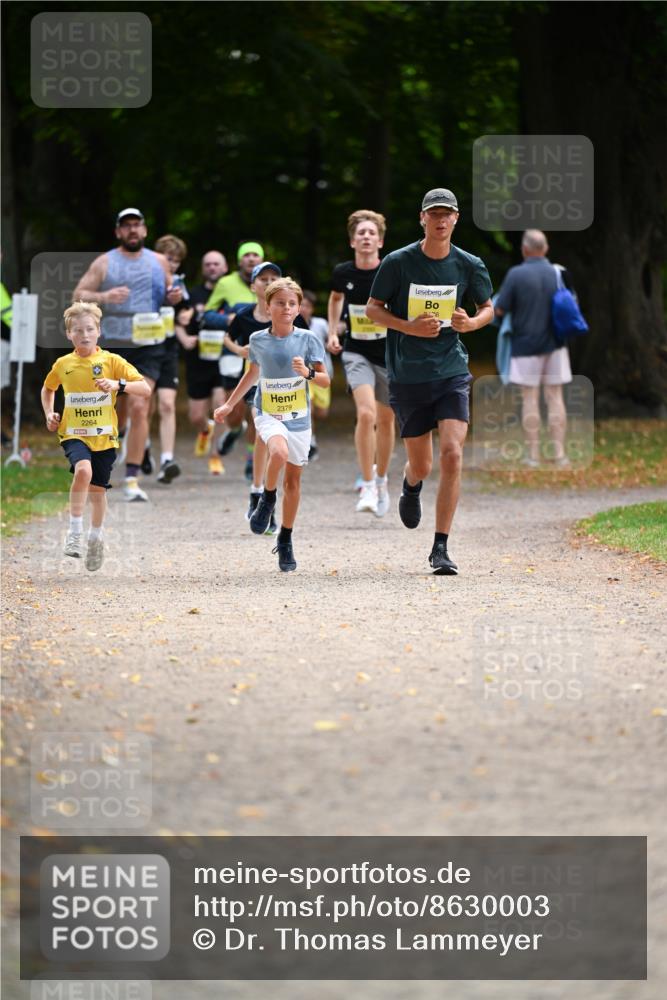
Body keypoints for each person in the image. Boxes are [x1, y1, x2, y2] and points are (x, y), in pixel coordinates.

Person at [366, 188, 494, 575]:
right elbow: (373, 309)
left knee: (453, 453)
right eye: (434, 213)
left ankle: (441, 547)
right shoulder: (398, 262)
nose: (441, 220)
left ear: (456, 219)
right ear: (422, 218)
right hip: (408, 374)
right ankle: (410, 483)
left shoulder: (469, 264)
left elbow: (487, 308)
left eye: (447, 214)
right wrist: (408, 326)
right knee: (422, 464)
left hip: (451, 371)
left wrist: (470, 323)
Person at [214, 277, 329, 573]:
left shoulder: (308, 339)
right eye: (280, 303)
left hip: (299, 418)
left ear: (299, 307)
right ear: (268, 306)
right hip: (266, 412)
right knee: (276, 451)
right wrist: (230, 404)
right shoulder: (257, 340)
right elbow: (252, 374)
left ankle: (286, 538)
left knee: (293, 482)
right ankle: (267, 499)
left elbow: (326, 381)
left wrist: (308, 374)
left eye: (292, 303)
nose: (287, 308)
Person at [72, 208, 183, 501]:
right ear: (119, 232)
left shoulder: (158, 261)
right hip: (113, 344)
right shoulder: (105, 261)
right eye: (127, 226)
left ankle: (132, 479)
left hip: (150, 344)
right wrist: (105, 297)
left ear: (144, 231)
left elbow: (171, 294)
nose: (133, 230)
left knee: (139, 405)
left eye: (137, 225)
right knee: (107, 409)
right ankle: (101, 456)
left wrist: (175, 296)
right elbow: (79, 293)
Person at [41, 302, 150, 570]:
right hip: (73, 434)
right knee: (82, 472)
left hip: (105, 437)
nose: (84, 335)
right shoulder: (63, 364)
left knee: (98, 492)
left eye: (89, 329)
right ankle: (75, 532)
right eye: (78, 330)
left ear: (99, 331)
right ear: (69, 334)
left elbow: (145, 388)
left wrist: (118, 385)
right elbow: (48, 389)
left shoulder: (112, 361)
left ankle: (95, 536)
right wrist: (49, 413)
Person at [224, 262, 308, 527]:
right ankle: (258, 491)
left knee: (270, 439)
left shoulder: (293, 315)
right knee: (261, 432)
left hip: (287, 389)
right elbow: (227, 337)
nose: (268, 281)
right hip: (257, 384)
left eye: (274, 277)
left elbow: (305, 343)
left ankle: (261, 491)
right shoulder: (244, 316)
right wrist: (238, 351)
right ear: (253, 286)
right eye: (263, 279)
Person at [327, 210, 394, 517]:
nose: (366, 237)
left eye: (371, 233)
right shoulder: (343, 272)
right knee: (366, 414)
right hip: (356, 352)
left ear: (379, 240)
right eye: (361, 233)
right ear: (352, 240)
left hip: (389, 353)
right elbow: (335, 298)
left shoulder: (392, 270)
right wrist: (331, 331)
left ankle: (381, 479)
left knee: (387, 420)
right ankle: (366, 484)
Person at [494, 229, 573, 467]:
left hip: (524, 344)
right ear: (545, 248)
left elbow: (499, 309)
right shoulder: (558, 272)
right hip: (556, 343)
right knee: (555, 397)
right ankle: (559, 455)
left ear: (524, 250)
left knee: (530, 399)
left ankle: (533, 455)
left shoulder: (516, 274)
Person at [153, 234, 190, 484]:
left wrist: (184, 318)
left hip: (167, 348)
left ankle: (167, 459)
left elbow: (185, 311)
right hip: (143, 348)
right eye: (169, 259)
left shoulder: (179, 283)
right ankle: (141, 449)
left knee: (167, 403)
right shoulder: (145, 279)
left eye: (177, 260)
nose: (173, 264)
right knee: (141, 406)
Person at [174, 298, 225, 474]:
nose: (212, 267)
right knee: (196, 417)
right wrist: (184, 337)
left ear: (224, 267)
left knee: (220, 407)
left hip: (222, 364)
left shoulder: (228, 297)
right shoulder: (193, 295)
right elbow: (176, 320)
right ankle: (205, 429)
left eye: (216, 266)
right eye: (209, 266)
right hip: (196, 365)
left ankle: (215, 456)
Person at [299, 290, 332, 460]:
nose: (303, 308)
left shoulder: (320, 324)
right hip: (302, 375)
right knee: (308, 406)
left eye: (307, 306)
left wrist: (335, 338)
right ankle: (309, 442)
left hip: (321, 374)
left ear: (312, 309)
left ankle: (310, 436)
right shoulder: (291, 326)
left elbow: (332, 337)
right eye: (301, 305)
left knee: (321, 412)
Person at [189, 251, 228, 318]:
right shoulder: (192, 294)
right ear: (202, 269)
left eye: (216, 264)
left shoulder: (234, 292)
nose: (212, 268)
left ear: (225, 267)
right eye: (207, 264)